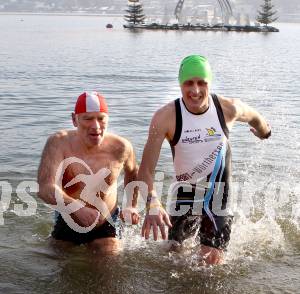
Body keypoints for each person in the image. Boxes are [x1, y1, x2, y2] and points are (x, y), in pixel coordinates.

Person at [138, 55, 271, 265]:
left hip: (219, 196)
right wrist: (152, 204)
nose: (195, 90)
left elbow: (256, 118)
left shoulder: (228, 109)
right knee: (171, 256)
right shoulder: (165, 117)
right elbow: (145, 171)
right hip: (185, 194)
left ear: (210, 83)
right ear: (180, 84)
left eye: (202, 83)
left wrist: (264, 133)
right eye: (189, 83)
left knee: (210, 264)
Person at [38, 91, 139, 254]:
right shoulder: (58, 143)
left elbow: (133, 173)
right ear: (74, 119)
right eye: (88, 118)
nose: (96, 126)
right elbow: (45, 188)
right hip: (69, 217)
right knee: (57, 264)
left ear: (108, 118)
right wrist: (76, 208)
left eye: (101, 118)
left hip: (106, 221)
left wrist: (131, 206)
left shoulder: (121, 147)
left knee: (108, 264)